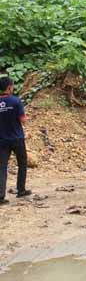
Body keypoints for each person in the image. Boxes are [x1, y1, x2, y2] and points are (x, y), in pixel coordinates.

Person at [0, 77, 31, 205]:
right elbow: (23, 120)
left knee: (2, 167)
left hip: (1, 140)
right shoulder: (16, 101)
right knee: (22, 164)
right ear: (9, 87)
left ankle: (0, 196)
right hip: (17, 138)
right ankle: (21, 190)